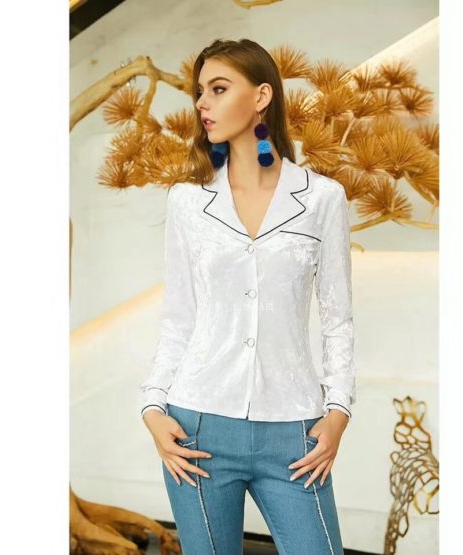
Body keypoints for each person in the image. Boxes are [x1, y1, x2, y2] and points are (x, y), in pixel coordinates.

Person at [138, 38, 356, 555]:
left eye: (218, 89)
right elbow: (179, 318)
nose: (202, 103)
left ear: (261, 96)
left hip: (294, 432)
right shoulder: (187, 202)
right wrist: (152, 407)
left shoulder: (321, 198)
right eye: (199, 92)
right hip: (197, 429)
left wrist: (338, 411)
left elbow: (337, 320)